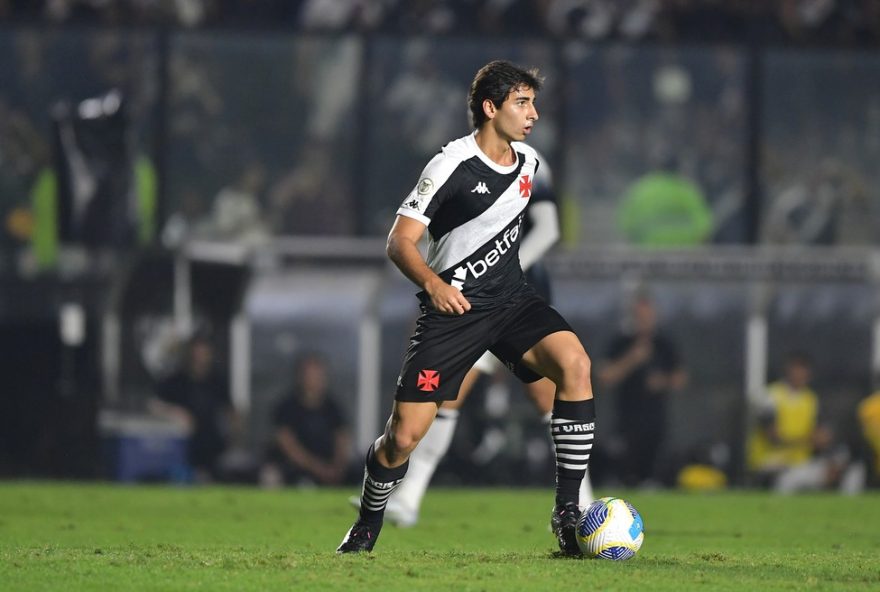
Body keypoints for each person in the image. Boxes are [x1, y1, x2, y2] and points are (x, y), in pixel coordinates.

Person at [337, 60, 597, 556]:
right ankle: (369, 523)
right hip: (454, 313)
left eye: (534, 103)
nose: (534, 114)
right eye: (522, 103)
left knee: (575, 365)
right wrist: (433, 285)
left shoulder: (529, 163)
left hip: (512, 302)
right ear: (490, 107)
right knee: (403, 438)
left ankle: (568, 512)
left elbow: (537, 227)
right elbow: (399, 241)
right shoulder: (449, 165)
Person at [364, 149, 593, 528]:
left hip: (516, 294)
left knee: (551, 393)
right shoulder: (457, 162)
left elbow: (548, 229)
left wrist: (503, 269)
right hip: (469, 299)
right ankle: (408, 498)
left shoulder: (531, 161)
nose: (530, 119)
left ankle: (580, 502)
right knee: (448, 396)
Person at [598, 290, 686, 487]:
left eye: (647, 315)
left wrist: (662, 381)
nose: (644, 320)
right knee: (625, 473)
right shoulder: (621, 343)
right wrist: (632, 359)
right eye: (639, 316)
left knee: (652, 476)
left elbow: (681, 378)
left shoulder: (665, 344)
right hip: (626, 419)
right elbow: (605, 377)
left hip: (656, 419)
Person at [148, 332, 240, 482]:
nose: (200, 358)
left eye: (204, 353)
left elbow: (231, 411)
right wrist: (176, 413)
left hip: (213, 444)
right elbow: (154, 405)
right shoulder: (176, 380)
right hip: (181, 445)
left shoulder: (217, 381)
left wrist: (233, 434)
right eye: (196, 354)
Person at [260, 352, 354, 487]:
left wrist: (337, 467)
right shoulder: (286, 407)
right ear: (300, 376)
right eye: (310, 375)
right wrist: (319, 469)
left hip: (330, 468)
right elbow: (288, 446)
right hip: (293, 468)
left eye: (319, 375)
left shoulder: (333, 408)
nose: (315, 379)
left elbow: (342, 439)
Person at [746, 351, 834, 491]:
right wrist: (807, 440)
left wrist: (822, 439)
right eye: (796, 371)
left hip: (800, 462)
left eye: (803, 372)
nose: (799, 376)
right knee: (791, 479)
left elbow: (821, 435)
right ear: (787, 371)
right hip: (771, 460)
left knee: (836, 469)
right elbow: (773, 438)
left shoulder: (811, 399)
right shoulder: (770, 396)